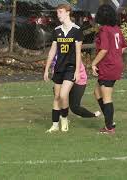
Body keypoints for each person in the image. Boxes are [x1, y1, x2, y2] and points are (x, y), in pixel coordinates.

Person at [44, 4, 83, 132]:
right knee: (56, 96)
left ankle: (64, 119)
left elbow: (78, 52)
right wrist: (46, 69)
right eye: (57, 13)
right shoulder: (57, 30)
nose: (58, 14)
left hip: (71, 67)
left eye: (60, 12)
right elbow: (52, 51)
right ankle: (55, 125)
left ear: (67, 13)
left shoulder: (77, 30)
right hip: (58, 68)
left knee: (63, 95)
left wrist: (77, 71)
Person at [92, 4, 127, 134]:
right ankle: (109, 120)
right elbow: (123, 46)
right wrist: (115, 55)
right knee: (97, 93)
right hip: (115, 64)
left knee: (106, 97)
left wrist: (93, 63)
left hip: (108, 66)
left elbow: (104, 49)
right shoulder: (116, 28)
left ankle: (109, 127)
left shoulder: (104, 30)